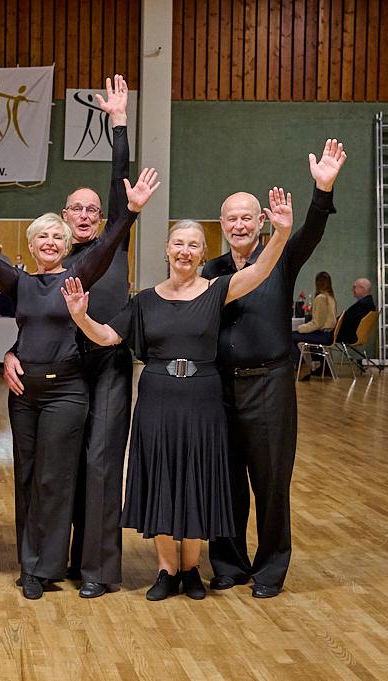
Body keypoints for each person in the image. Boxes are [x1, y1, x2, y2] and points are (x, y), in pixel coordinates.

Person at [61, 188, 294, 601]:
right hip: (158, 399)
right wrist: (80, 316)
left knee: (196, 479)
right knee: (163, 480)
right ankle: (166, 570)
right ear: (167, 250)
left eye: (193, 245)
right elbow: (107, 336)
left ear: (202, 253)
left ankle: (191, 570)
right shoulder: (146, 301)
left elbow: (259, 272)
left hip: (203, 401)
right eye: (178, 244)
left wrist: (279, 233)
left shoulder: (218, 290)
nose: (184, 252)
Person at [0, 166, 158, 601]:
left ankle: (52, 565)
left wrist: (129, 212)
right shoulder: (20, 282)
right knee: (28, 477)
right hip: (25, 395)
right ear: (32, 244)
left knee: (56, 479)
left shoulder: (77, 278)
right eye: (43, 237)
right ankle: (32, 565)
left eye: (58, 238)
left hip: (67, 389)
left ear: (66, 243)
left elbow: (110, 244)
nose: (51, 243)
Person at [2, 74, 132, 598]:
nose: (82, 216)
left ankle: (96, 569)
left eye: (91, 210)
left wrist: (118, 123)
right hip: (63, 370)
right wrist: (14, 352)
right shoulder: (54, 258)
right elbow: (35, 318)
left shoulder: (110, 249)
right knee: (63, 470)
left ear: (101, 218)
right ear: (61, 218)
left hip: (107, 368)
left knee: (99, 465)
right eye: (73, 209)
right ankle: (56, 559)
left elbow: (122, 189)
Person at [205, 140, 346, 599]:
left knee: (270, 483)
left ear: (261, 221)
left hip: (270, 386)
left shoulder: (282, 257)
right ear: (222, 226)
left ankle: (269, 569)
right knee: (224, 481)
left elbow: (310, 233)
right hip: (221, 387)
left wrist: (321, 191)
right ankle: (227, 564)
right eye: (232, 218)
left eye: (248, 217)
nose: (240, 224)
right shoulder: (212, 269)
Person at [290, 271, 336, 372]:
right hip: (328, 333)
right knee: (295, 335)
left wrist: (301, 328)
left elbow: (318, 323)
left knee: (291, 336)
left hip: (323, 335)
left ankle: (301, 367)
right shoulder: (330, 297)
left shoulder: (321, 298)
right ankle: (315, 367)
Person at [336, 278, 376, 345]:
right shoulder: (368, 303)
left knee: (315, 335)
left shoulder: (364, 305)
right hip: (351, 335)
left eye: (354, 287)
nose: (352, 289)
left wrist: (332, 324)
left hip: (347, 336)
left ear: (362, 289)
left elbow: (347, 321)